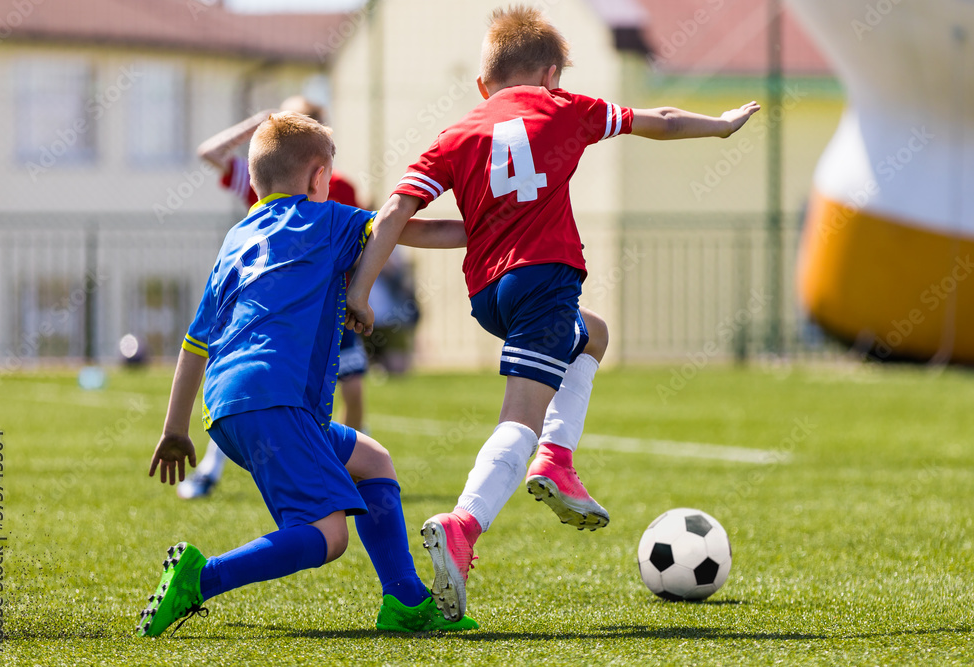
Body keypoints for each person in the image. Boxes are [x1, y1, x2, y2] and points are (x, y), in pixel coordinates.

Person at [344, 6, 760, 622]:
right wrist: (721, 127)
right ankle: (464, 524)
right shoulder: (563, 108)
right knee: (521, 419)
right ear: (551, 73)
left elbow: (395, 216)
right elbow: (662, 121)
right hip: (544, 279)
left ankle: (557, 463)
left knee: (593, 333)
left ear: (484, 85)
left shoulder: (456, 135)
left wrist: (361, 287)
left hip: (489, 296)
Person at [137, 111, 474, 637]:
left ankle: (405, 600)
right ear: (320, 176)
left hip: (227, 407)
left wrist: (174, 429)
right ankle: (199, 579)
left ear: (253, 181)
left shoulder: (236, 239)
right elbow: (406, 229)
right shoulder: (329, 219)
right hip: (278, 401)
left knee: (372, 460)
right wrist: (493, 228)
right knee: (326, 535)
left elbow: (194, 342)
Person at [180, 96, 368, 500]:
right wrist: (259, 128)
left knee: (347, 389)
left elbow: (372, 235)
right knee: (254, 387)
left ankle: (342, 469)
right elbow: (208, 152)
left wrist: (360, 290)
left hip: (326, 304)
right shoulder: (264, 176)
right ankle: (211, 472)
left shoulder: (340, 190)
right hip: (267, 311)